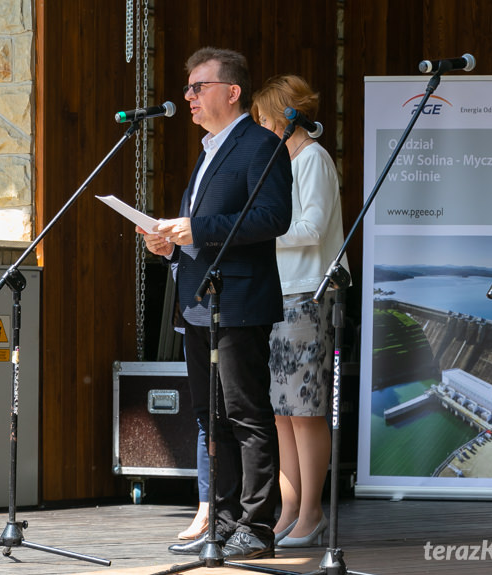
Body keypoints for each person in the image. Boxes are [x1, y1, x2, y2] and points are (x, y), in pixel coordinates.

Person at [136, 47, 292, 559]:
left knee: (246, 414)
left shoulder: (261, 145)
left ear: (232, 91)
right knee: (211, 416)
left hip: (240, 300)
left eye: (198, 87)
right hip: (199, 300)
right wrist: (168, 241)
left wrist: (195, 228)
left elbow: (272, 218)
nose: (188, 98)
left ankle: (256, 525)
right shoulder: (208, 150)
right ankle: (221, 523)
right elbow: (202, 228)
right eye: (188, 88)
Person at [250, 74, 349, 548]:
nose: (262, 130)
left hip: (308, 295)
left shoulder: (313, 159)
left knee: (305, 411)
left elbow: (310, 228)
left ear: (288, 117)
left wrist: (255, 233)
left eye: (265, 120)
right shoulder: (285, 163)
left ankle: (311, 512)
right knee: (281, 412)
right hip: (279, 294)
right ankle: (289, 508)